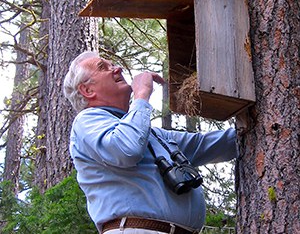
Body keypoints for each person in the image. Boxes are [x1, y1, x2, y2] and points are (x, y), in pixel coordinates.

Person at [63, 51, 237, 234]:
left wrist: (264, 124)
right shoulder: (87, 120)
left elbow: (209, 145)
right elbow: (126, 150)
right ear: (87, 90)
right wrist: (141, 95)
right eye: (103, 67)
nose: (117, 68)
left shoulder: (152, 135)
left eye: (112, 64)